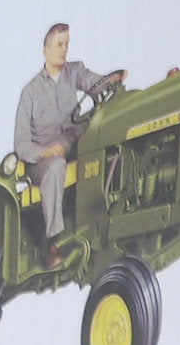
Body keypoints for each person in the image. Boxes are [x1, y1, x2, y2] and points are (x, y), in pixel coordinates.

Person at [13, 23, 126, 265]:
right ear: (46, 50)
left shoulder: (74, 71)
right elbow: (21, 144)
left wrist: (112, 80)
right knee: (56, 166)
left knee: (107, 138)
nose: (64, 50)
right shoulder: (30, 92)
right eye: (59, 45)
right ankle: (54, 242)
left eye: (66, 44)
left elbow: (96, 83)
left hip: (74, 142)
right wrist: (44, 152)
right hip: (44, 160)